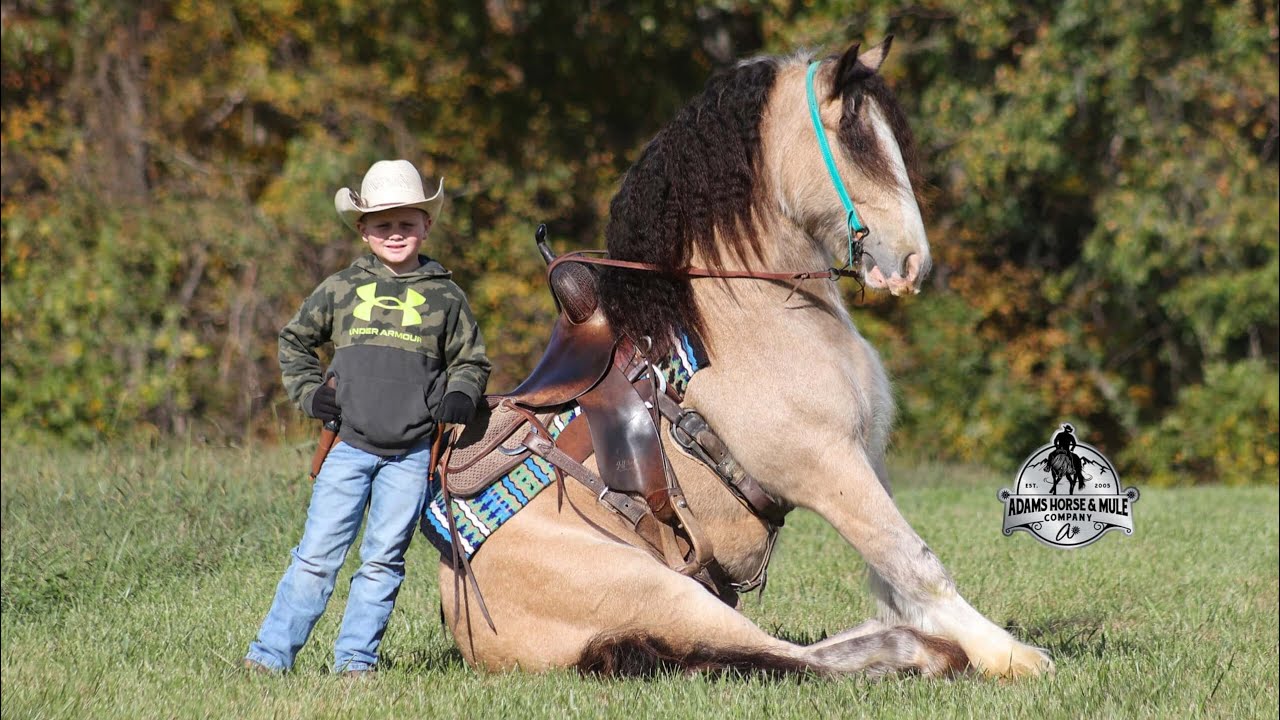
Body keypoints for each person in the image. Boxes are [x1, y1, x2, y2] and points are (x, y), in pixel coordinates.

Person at [244, 159, 491, 676]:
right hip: (348, 447)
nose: (395, 233)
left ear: (427, 226)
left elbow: (470, 359)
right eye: (383, 224)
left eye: (407, 223)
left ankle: (356, 662)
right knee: (316, 556)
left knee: (382, 562)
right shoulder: (340, 289)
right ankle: (270, 657)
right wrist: (310, 394)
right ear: (362, 230)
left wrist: (462, 395)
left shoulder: (446, 296)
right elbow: (293, 341)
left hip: (412, 455)